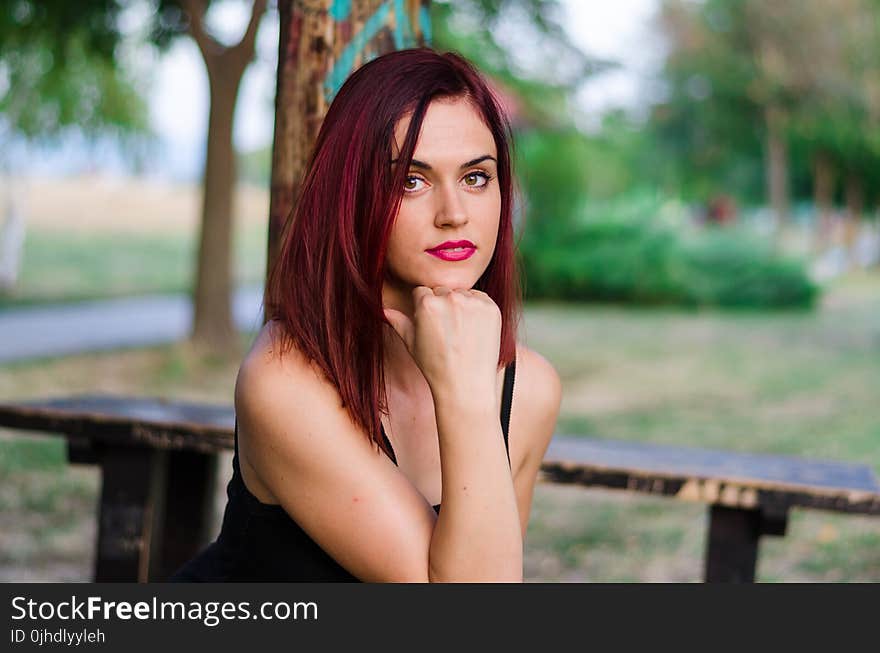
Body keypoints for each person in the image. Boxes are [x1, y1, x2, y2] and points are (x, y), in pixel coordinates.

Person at [170, 47, 561, 582]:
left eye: (476, 177)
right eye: (411, 180)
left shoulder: (529, 390)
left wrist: (466, 386)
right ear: (352, 196)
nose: (454, 214)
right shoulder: (285, 379)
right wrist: (466, 396)